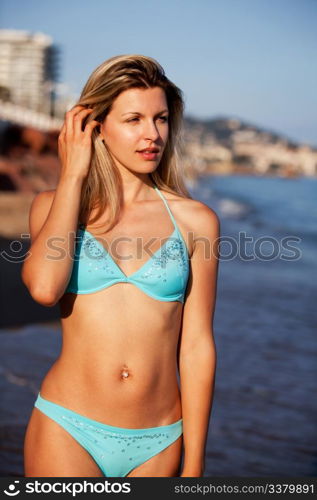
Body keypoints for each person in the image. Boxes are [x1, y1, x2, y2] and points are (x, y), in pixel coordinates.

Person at [21, 54, 219, 478]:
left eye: (161, 119)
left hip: (158, 439)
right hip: (67, 426)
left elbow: (198, 344)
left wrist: (196, 464)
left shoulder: (195, 221)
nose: (152, 135)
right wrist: (73, 175)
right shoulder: (53, 209)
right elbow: (43, 288)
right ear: (97, 126)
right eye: (134, 119)